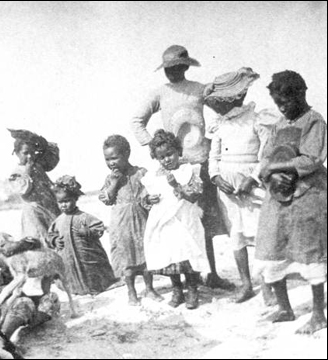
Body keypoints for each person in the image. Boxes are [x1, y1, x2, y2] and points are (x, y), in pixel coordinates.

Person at [130, 44, 233, 290]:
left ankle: (212, 274)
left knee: (205, 222)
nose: (172, 72)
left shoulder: (199, 89)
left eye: (177, 67)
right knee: (176, 225)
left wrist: (220, 133)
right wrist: (154, 145)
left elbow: (224, 105)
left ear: (186, 66)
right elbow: (136, 121)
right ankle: (187, 280)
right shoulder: (160, 93)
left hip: (200, 163)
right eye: (168, 68)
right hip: (173, 167)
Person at [255, 70, 327, 334]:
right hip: (277, 195)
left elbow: (311, 159)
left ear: (300, 94)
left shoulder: (314, 121)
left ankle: (319, 313)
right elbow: (265, 159)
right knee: (273, 245)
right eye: (277, 103)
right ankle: (285, 307)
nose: (281, 107)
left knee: (309, 251)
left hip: (308, 193)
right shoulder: (279, 125)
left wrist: (280, 166)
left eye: (285, 101)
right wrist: (270, 175)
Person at [204, 67, 275, 304]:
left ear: (237, 97)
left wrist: (253, 178)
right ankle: (246, 284)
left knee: (259, 235)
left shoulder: (257, 119)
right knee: (236, 235)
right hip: (226, 187)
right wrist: (215, 177)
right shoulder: (219, 124)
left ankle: (267, 286)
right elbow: (213, 157)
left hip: (251, 184)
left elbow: (266, 155)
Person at [142, 129, 208, 309]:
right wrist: (149, 199)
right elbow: (145, 196)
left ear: (178, 151)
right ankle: (177, 290)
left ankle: (193, 289)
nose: (167, 159)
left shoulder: (190, 170)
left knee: (189, 255)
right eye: (161, 157)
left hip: (186, 219)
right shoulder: (154, 175)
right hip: (165, 222)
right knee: (171, 257)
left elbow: (194, 195)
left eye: (170, 154)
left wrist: (176, 185)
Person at [99, 135, 163, 306]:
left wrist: (150, 199)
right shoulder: (110, 178)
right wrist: (114, 183)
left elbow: (151, 191)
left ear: (126, 154)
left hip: (141, 218)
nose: (111, 163)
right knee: (126, 257)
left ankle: (149, 288)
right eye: (107, 159)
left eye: (114, 158)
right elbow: (107, 200)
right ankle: (131, 291)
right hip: (121, 222)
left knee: (145, 253)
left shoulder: (140, 173)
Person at [48, 175, 117, 295]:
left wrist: (88, 232)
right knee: (69, 273)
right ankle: (75, 289)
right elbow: (50, 235)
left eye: (67, 201)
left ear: (75, 199)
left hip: (86, 255)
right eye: (60, 202)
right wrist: (54, 240)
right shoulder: (58, 221)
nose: (64, 205)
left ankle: (95, 287)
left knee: (90, 272)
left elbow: (98, 227)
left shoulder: (84, 217)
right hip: (67, 256)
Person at [8, 129, 60, 243]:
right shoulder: (16, 173)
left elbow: (52, 159)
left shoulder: (38, 165)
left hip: (50, 208)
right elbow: (23, 190)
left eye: (32, 152)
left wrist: (41, 143)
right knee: (43, 241)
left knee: (59, 238)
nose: (30, 156)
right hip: (35, 215)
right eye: (25, 153)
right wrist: (28, 170)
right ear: (16, 153)